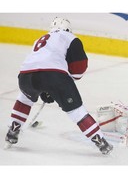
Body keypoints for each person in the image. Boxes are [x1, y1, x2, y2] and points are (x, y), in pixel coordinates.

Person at [5, 17, 113, 155]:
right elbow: (79, 69)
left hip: (25, 76)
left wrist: (46, 88)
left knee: (24, 99)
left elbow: (37, 64)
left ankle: (12, 131)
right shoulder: (70, 37)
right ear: (68, 28)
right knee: (76, 111)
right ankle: (101, 142)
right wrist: (57, 85)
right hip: (54, 77)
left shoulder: (40, 38)